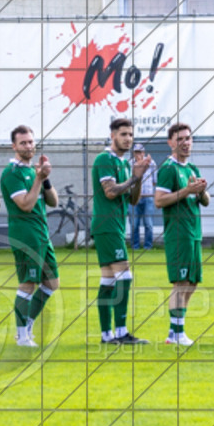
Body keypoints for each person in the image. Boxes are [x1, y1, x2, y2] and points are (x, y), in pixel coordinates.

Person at [91, 118, 150, 344]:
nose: (128, 139)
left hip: (114, 225)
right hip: (106, 225)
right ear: (113, 135)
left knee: (109, 281)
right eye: (123, 134)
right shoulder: (104, 159)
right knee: (125, 276)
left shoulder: (125, 163)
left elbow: (133, 200)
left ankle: (107, 335)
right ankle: (121, 332)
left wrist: (139, 176)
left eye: (131, 135)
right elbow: (110, 192)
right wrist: (134, 177)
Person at [1, 125, 59, 348]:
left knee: (52, 283)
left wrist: (45, 179)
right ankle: (21, 336)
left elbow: (53, 202)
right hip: (25, 235)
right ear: (14, 146)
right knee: (27, 283)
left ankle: (28, 324)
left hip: (41, 233)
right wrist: (37, 179)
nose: (28, 146)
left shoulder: (31, 171)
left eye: (31, 142)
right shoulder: (12, 173)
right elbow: (25, 205)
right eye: (23, 143)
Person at [154, 123, 210, 346]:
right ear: (171, 143)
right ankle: (175, 333)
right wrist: (187, 190)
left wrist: (201, 190)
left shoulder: (192, 168)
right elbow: (159, 200)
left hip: (194, 232)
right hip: (178, 233)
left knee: (192, 282)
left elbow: (204, 201)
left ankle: (176, 331)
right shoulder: (168, 168)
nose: (186, 143)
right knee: (181, 282)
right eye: (180, 139)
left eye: (188, 138)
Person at [130, 143, 158, 250]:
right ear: (133, 153)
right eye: (136, 152)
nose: (138, 154)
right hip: (133, 198)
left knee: (148, 224)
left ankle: (148, 247)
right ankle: (135, 247)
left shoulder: (151, 163)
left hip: (148, 197)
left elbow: (155, 181)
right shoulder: (130, 163)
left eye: (140, 152)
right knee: (134, 224)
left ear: (144, 153)